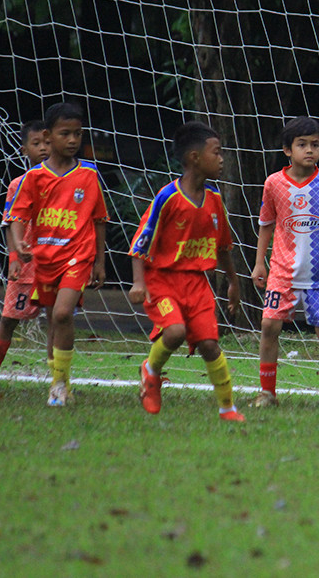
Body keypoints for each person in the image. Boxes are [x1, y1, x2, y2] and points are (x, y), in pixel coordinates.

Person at [128, 121, 244, 422]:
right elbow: (140, 243)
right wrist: (139, 283)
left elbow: (223, 247)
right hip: (162, 280)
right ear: (194, 158)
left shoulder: (215, 201)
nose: (221, 160)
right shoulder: (167, 198)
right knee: (175, 331)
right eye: (216, 153)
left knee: (209, 344)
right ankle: (151, 372)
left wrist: (233, 283)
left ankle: (227, 408)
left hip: (197, 283)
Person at [6, 103, 108, 406]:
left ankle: (60, 385)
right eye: (66, 134)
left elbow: (99, 220)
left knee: (63, 313)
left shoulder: (88, 175)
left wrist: (99, 262)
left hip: (78, 255)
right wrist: (19, 245)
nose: (74, 140)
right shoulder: (34, 178)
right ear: (49, 136)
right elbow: (17, 217)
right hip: (45, 258)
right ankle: (58, 382)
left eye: (78, 133)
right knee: (54, 321)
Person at [251, 116, 319, 409]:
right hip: (282, 272)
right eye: (302, 145)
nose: (310, 150)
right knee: (269, 326)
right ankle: (267, 392)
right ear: (287, 150)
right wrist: (260, 263)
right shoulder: (273, 184)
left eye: (315, 145)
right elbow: (266, 224)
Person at [0, 121, 54, 392]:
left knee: (58, 320)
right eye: (36, 144)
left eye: (47, 143)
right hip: (27, 267)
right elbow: (10, 222)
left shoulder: (67, 182)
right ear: (24, 150)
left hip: (57, 263)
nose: (43, 148)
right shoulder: (18, 184)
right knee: (8, 319)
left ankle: (59, 381)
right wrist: (14, 259)